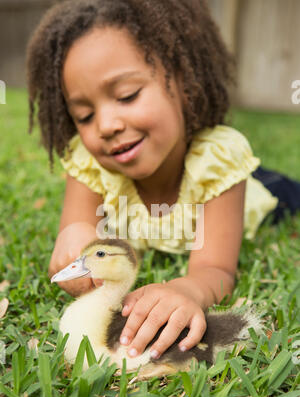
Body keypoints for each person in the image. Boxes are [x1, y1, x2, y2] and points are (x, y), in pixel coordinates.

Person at [26, 0, 300, 362]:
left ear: (185, 82)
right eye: (85, 115)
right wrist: (71, 244)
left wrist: (185, 289)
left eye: (127, 96)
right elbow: (78, 264)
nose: (106, 125)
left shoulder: (217, 163)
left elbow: (214, 269)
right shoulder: (92, 163)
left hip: (258, 194)